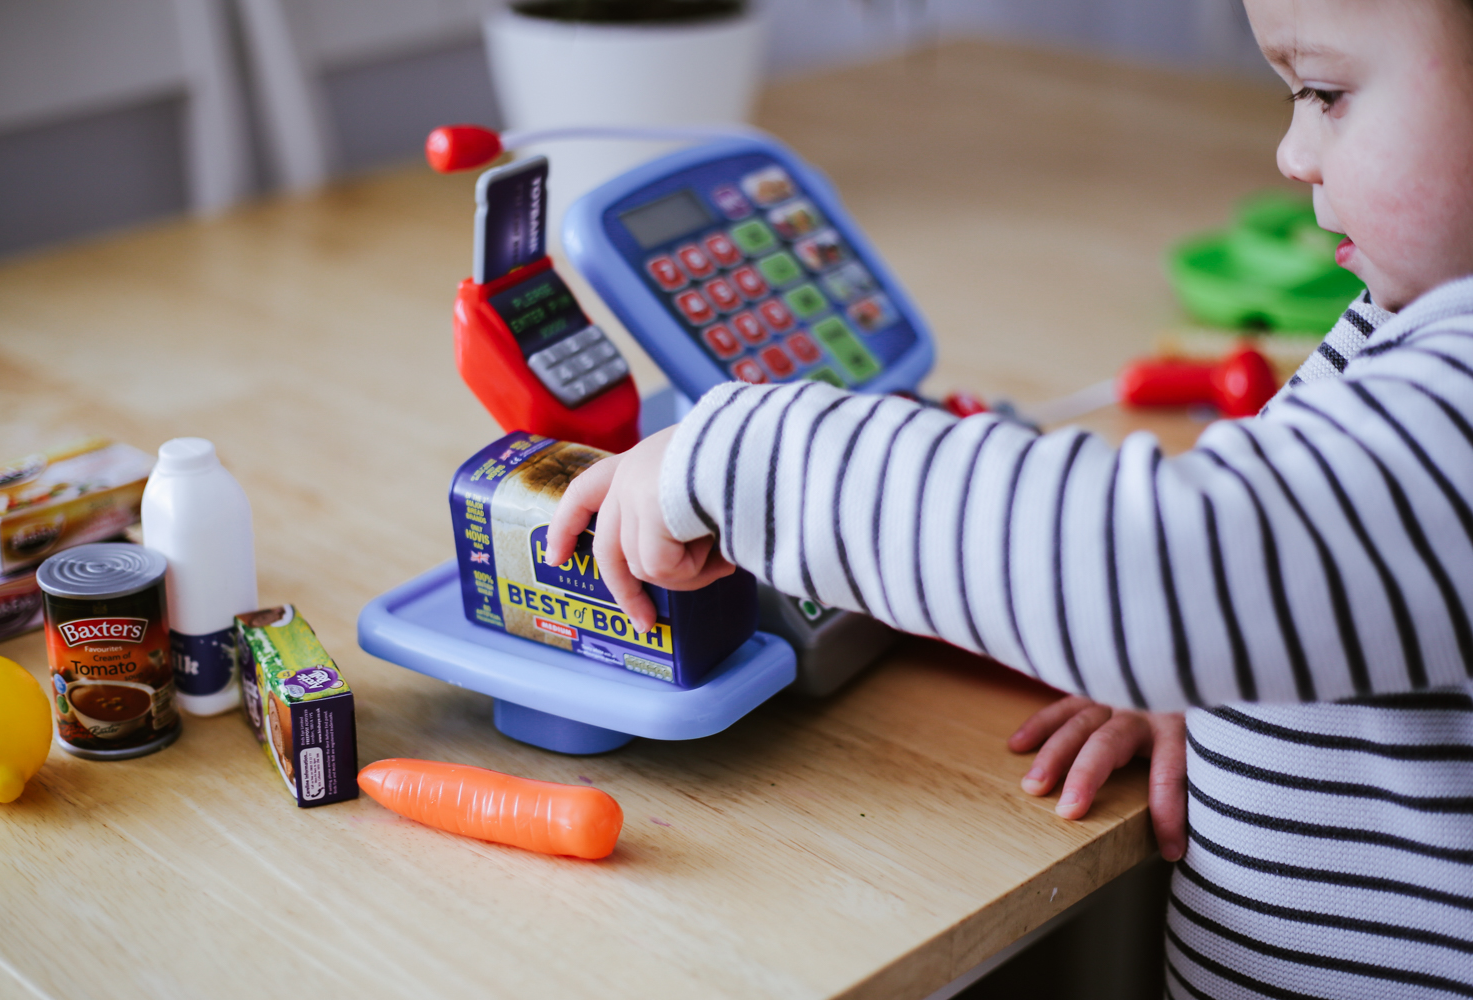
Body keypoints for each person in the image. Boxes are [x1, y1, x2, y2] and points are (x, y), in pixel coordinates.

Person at [547, 0, 1473, 994]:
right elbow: (1305, 566)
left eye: (1328, 93)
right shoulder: (1408, 311)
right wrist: (1223, 684)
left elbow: (1172, 563)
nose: (1292, 151)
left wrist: (753, 455)